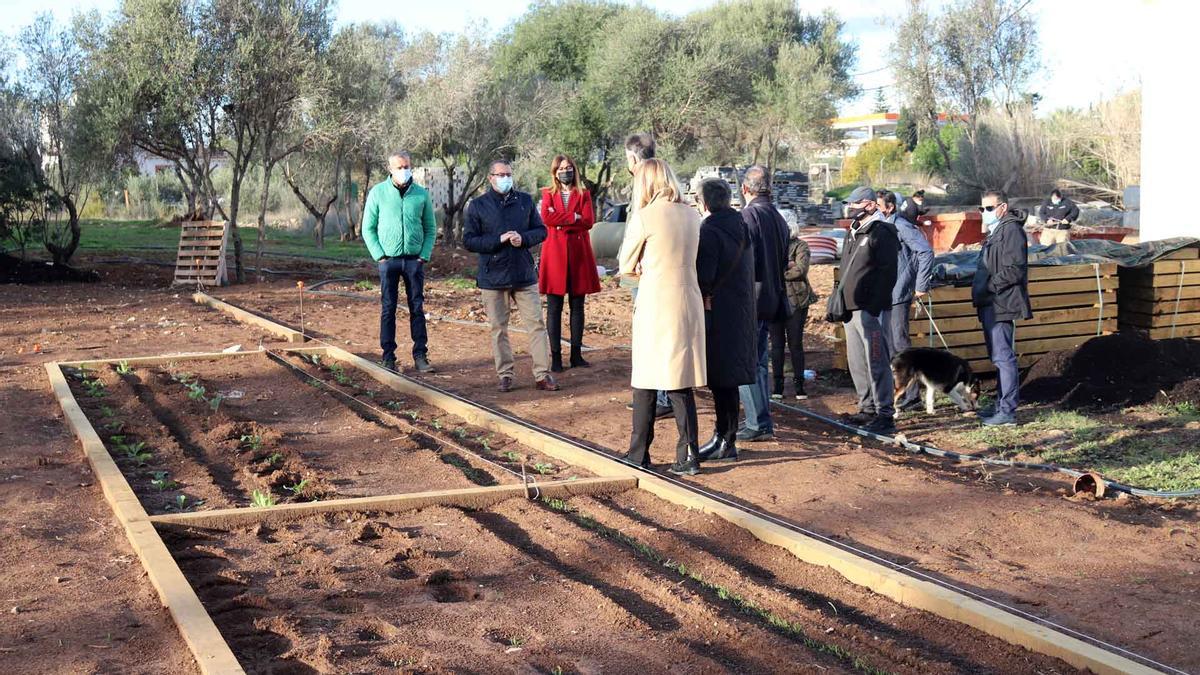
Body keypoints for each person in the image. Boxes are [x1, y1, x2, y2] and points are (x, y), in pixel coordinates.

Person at [618, 159, 706, 476]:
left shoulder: (645, 217)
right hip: (689, 301)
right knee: (680, 380)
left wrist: (642, 263)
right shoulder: (692, 214)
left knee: (645, 379)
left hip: (656, 302)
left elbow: (624, 264)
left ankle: (638, 452)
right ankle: (688, 454)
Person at [463, 160, 559, 393]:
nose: (505, 178)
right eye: (500, 174)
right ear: (490, 178)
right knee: (498, 328)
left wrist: (522, 239)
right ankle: (505, 374)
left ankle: (542, 375)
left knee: (536, 325)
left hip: (523, 274)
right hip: (492, 277)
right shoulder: (478, 205)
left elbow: (541, 231)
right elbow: (469, 241)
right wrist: (499, 240)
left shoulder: (524, 201)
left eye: (508, 174)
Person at [694, 178, 757, 463]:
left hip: (718, 311)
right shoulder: (741, 224)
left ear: (704, 203)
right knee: (728, 379)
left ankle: (725, 440)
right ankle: (724, 436)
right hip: (741, 310)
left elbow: (705, 276)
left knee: (721, 378)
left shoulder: (709, 230)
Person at [363, 150, 437, 374]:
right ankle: (388, 357)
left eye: (407, 167)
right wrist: (380, 256)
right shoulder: (378, 193)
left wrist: (424, 255)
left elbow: (430, 228)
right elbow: (368, 228)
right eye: (399, 167)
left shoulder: (421, 194)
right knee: (388, 308)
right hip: (389, 261)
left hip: (414, 261)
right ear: (390, 169)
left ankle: (421, 355)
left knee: (417, 307)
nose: (404, 171)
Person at [617, 132, 673, 419]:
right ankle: (661, 394)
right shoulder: (666, 183)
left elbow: (633, 243)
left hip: (647, 274)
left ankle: (660, 397)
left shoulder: (645, 185)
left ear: (632, 157)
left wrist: (632, 264)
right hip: (661, 274)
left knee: (653, 338)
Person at [838, 185, 900, 434]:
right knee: (857, 362)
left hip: (869, 311)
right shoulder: (853, 232)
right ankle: (867, 408)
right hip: (850, 309)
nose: (851, 208)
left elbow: (888, 273)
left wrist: (874, 307)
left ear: (870, 205)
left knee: (876, 361)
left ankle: (885, 413)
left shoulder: (881, 231)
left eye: (856, 203)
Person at [736, 165, 791, 442]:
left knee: (749, 362)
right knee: (760, 362)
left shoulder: (748, 216)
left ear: (746, 188)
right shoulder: (779, 218)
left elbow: (743, 262)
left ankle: (757, 423)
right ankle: (762, 420)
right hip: (773, 296)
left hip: (752, 300)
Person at [973, 190, 1032, 426]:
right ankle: (1000, 405)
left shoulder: (1012, 231)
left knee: (1003, 357)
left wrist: (989, 286)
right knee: (998, 357)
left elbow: (1015, 269)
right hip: (991, 303)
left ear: (1003, 207)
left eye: (989, 208)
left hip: (1001, 303)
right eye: (982, 209)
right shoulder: (997, 231)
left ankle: (1007, 411)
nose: (984, 213)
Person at [538, 154, 602, 372]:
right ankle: (555, 356)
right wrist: (573, 218)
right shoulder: (547, 194)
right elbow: (546, 219)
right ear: (555, 172)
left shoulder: (584, 194)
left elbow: (588, 221)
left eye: (569, 168)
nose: (566, 171)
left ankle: (576, 354)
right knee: (554, 307)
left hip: (578, 254)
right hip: (555, 254)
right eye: (561, 168)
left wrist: (563, 219)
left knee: (578, 305)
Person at [878, 191, 934, 412]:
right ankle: (902, 393)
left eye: (879, 205)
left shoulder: (901, 226)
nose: (876, 208)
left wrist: (920, 285)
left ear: (890, 207)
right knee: (891, 347)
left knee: (900, 346)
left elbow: (925, 252)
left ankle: (913, 397)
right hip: (886, 293)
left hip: (899, 295)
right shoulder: (885, 225)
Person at [771, 220, 818, 401]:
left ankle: (799, 386)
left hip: (797, 301)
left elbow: (800, 270)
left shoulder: (801, 245)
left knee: (795, 344)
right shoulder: (773, 245)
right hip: (776, 299)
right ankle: (778, 385)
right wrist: (787, 265)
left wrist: (778, 271)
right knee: (776, 345)